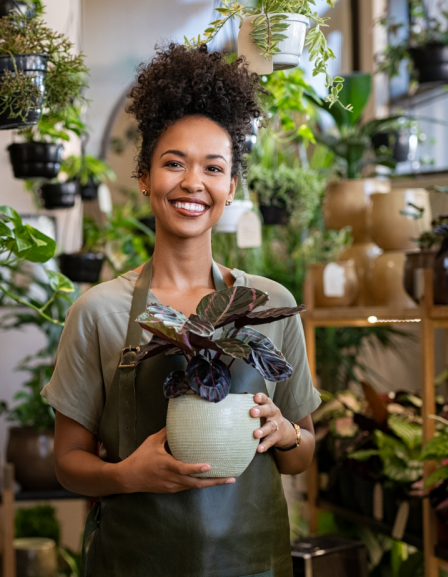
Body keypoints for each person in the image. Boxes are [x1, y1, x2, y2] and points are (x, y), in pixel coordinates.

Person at [40, 44, 320, 577]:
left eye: (213, 168)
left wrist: (285, 431)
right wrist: (129, 475)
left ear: (231, 187)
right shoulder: (99, 312)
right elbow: (68, 463)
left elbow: (302, 455)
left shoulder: (271, 306)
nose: (193, 182)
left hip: (253, 564)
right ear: (144, 176)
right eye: (174, 163)